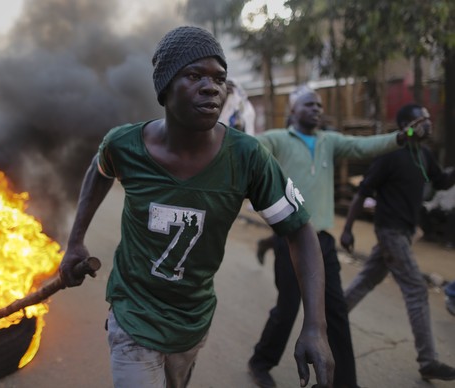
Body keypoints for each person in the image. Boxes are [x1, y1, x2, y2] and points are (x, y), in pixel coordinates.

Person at [58, 26, 335, 388]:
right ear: (165, 88)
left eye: (220, 78)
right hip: (133, 313)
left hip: (192, 318)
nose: (212, 87)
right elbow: (99, 171)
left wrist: (315, 327)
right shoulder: (124, 145)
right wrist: (75, 240)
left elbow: (299, 231)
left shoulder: (247, 157)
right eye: (194, 75)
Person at [248, 85, 416, 388]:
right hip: (289, 239)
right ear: (293, 110)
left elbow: (365, 147)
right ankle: (261, 361)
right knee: (288, 308)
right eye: (309, 104)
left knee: (335, 312)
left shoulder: (330, 142)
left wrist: (403, 137)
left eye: (319, 105)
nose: (317, 109)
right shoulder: (277, 139)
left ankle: (346, 382)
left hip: (322, 241)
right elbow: (249, 147)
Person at [340, 103, 455, 382]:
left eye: (429, 118)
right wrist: (348, 229)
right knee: (417, 289)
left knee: (367, 279)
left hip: (403, 232)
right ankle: (428, 360)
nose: (428, 123)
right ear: (406, 125)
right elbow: (362, 192)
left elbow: (441, 182)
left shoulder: (424, 155)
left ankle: (330, 317)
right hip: (389, 230)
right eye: (422, 119)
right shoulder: (389, 155)